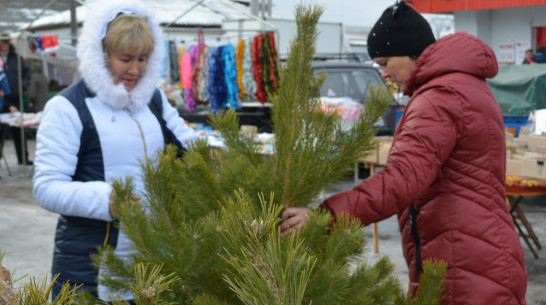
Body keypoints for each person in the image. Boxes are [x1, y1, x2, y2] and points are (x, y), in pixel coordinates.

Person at [280, 1, 528, 305]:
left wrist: (323, 217)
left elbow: (402, 180)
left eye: (385, 62)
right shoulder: (463, 85)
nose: (383, 73)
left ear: (412, 51)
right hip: (476, 254)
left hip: (464, 265)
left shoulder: (439, 98)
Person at [33, 0, 199, 302]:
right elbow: (46, 187)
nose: (136, 70)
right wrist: (105, 200)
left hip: (149, 262)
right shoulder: (68, 107)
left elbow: (191, 145)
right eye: (126, 59)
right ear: (101, 53)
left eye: (143, 58)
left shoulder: (153, 100)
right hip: (89, 265)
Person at [0, 32, 31, 165]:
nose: (4, 45)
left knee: (19, 130)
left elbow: (26, 73)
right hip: (1, 100)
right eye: (2, 43)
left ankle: (23, 158)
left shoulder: (17, 58)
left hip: (15, 98)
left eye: (6, 43)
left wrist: (22, 87)